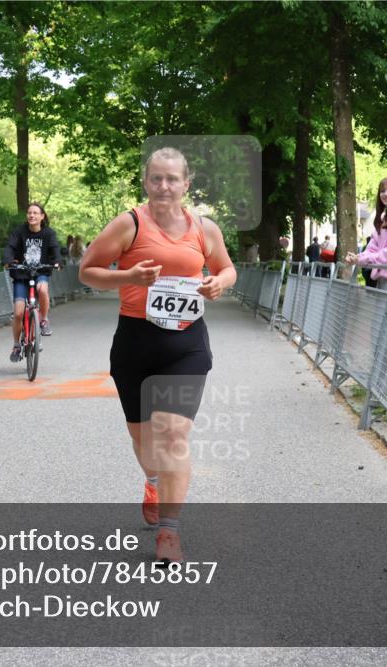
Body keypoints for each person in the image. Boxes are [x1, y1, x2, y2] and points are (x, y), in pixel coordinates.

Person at [78, 147, 236, 563]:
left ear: (187, 184)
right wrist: (128, 276)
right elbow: (87, 270)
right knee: (145, 442)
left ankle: (169, 533)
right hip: (135, 342)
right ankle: (152, 479)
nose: (164, 186)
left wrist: (219, 283)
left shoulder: (204, 229)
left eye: (172, 179)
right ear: (146, 182)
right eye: (156, 178)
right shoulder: (128, 224)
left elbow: (227, 268)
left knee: (172, 435)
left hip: (186, 345)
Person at [3, 202, 61, 362]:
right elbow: (10, 247)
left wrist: (57, 261)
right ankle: (16, 345)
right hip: (21, 275)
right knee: (18, 313)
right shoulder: (19, 232)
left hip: (40, 272)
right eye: (29, 212)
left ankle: (43, 319)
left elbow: (55, 249)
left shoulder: (48, 233)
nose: (32, 215)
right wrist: (7, 260)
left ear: (42, 216)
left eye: (35, 213)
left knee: (43, 290)